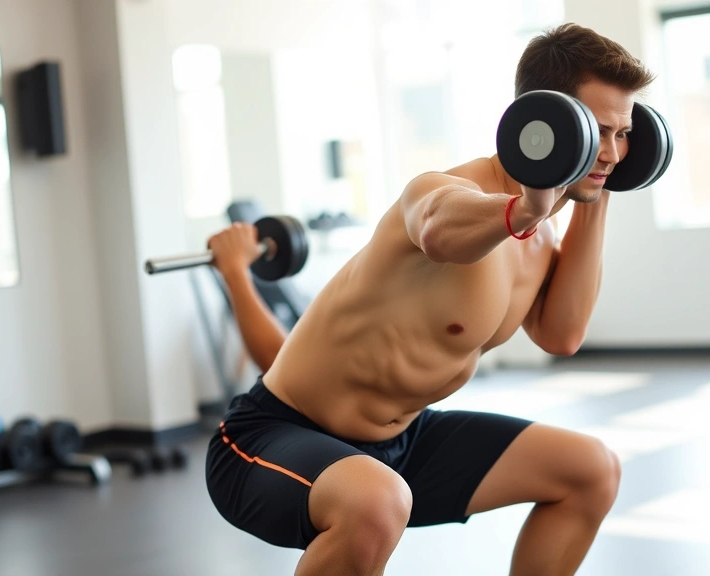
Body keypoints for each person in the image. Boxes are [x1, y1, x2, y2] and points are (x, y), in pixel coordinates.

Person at [205, 22, 655, 576]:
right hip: (272, 437)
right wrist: (523, 210)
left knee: (591, 469)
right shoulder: (440, 190)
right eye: (599, 131)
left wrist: (597, 194)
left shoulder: (544, 238)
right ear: (548, 122)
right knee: (375, 499)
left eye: (624, 134)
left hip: (402, 442)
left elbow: (561, 335)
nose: (613, 152)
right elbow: (440, 229)